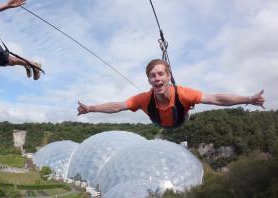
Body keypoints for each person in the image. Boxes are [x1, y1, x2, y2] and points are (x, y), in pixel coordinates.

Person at [77, 59, 265, 128]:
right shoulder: (144, 98)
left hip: (180, 120)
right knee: (141, 105)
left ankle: (186, 110)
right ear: (149, 80)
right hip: (158, 121)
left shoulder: (184, 93)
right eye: (152, 76)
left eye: (160, 74)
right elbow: (118, 106)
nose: (157, 79)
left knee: (185, 104)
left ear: (168, 77)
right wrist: (90, 108)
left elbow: (216, 98)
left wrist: (248, 99)